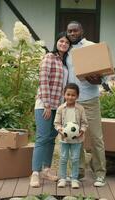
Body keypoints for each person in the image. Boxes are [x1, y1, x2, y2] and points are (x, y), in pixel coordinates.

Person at [66, 21, 107, 187]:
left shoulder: (91, 46)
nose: (72, 33)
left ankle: (100, 174)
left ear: (81, 30)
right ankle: (78, 171)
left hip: (90, 99)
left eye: (75, 30)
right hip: (72, 101)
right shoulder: (66, 49)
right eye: (70, 31)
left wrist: (98, 79)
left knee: (96, 138)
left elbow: (104, 75)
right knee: (75, 137)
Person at [30, 32, 70, 188]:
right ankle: (35, 173)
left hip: (58, 106)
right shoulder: (49, 57)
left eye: (66, 43)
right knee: (42, 137)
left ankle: (46, 170)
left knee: (51, 137)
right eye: (61, 41)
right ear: (57, 42)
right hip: (44, 105)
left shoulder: (64, 62)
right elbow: (43, 80)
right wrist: (46, 104)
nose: (63, 44)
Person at [54, 83, 88, 189]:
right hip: (64, 139)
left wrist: (81, 131)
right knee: (63, 158)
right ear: (64, 95)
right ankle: (63, 178)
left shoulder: (80, 109)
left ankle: (74, 179)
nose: (70, 97)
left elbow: (84, 123)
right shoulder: (60, 109)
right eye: (68, 94)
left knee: (75, 159)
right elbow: (57, 123)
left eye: (73, 95)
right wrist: (60, 130)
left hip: (76, 140)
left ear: (77, 96)